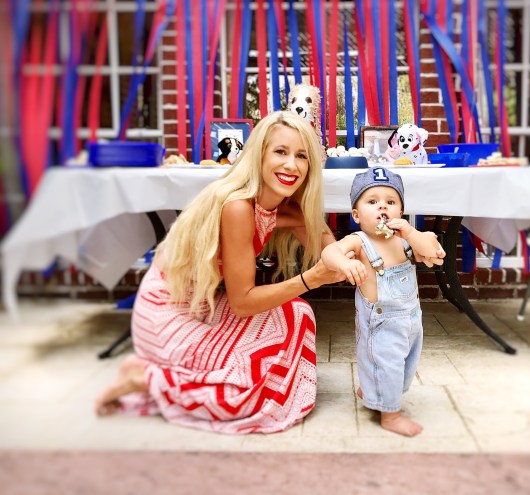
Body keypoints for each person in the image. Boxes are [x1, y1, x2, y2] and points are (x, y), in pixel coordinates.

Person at [95, 111, 346, 434]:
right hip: (166, 316)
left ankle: (177, 377)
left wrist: (366, 249)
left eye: (301, 156)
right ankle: (145, 378)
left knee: (297, 314)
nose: (291, 165)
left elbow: (330, 250)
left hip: (205, 306)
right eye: (280, 152)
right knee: (241, 391)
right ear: (259, 155)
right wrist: (312, 278)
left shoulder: (285, 208)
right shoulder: (237, 206)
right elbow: (242, 303)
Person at [321, 167, 445, 436]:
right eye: (372, 201)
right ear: (356, 215)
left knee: (405, 364)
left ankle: (373, 390)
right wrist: (344, 263)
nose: (382, 207)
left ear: (401, 212)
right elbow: (330, 252)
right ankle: (390, 415)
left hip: (411, 319)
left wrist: (410, 232)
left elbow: (432, 251)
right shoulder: (359, 241)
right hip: (380, 322)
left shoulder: (406, 240)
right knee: (386, 364)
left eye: (390, 201)